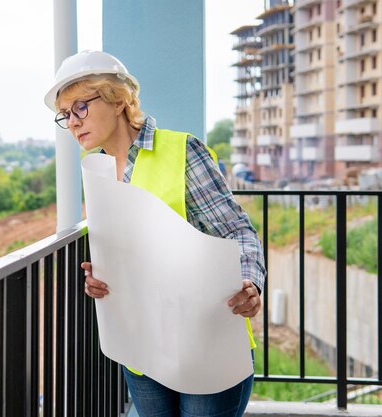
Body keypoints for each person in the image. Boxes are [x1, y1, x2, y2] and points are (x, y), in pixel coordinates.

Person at [44, 50, 266, 417]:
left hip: (204, 342)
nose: (72, 122)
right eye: (65, 115)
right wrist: (98, 279)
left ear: (116, 100)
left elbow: (236, 230)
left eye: (80, 107)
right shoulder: (96, 170)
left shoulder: (181, 150)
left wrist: (249, 281)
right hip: (140, 349)